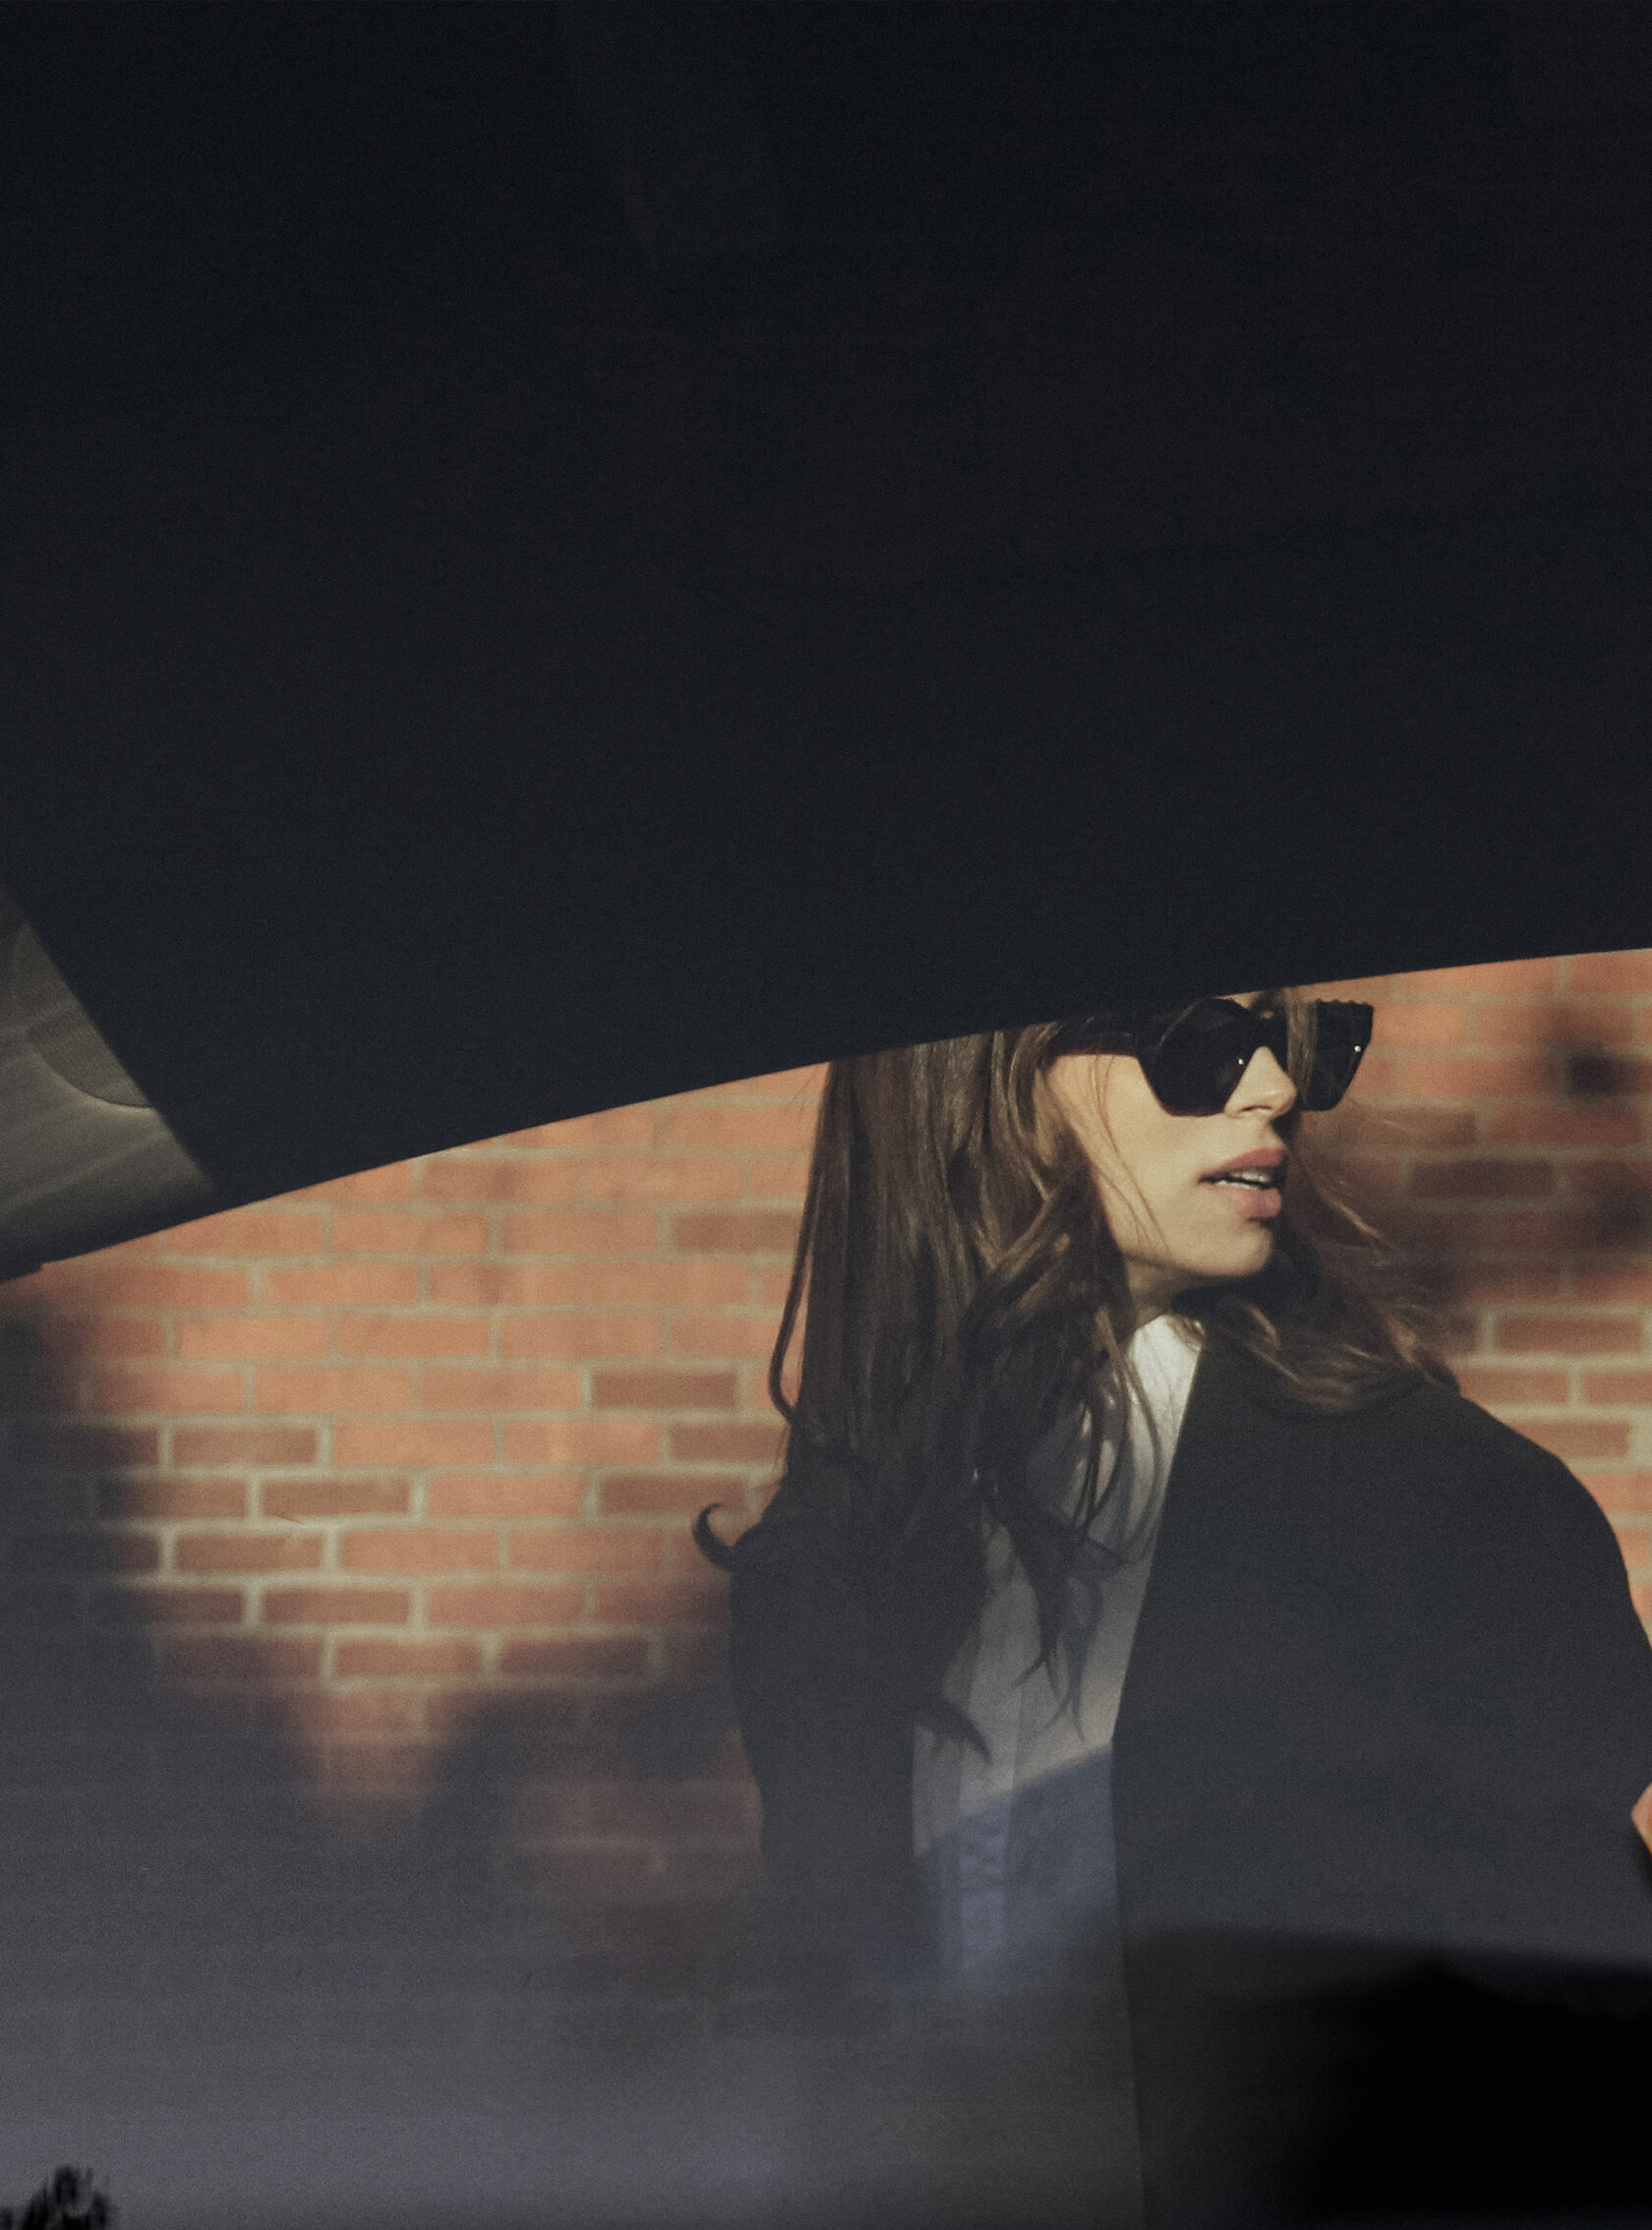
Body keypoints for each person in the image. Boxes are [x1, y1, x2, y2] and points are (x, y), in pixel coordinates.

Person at [695, 990, 1652, 2227]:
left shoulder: (1452, 1512)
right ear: (983, 1077)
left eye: (1297, 1041)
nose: (1275, 1089)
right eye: (1196, 1040)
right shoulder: (830, 1561)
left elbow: (1574, 2085)